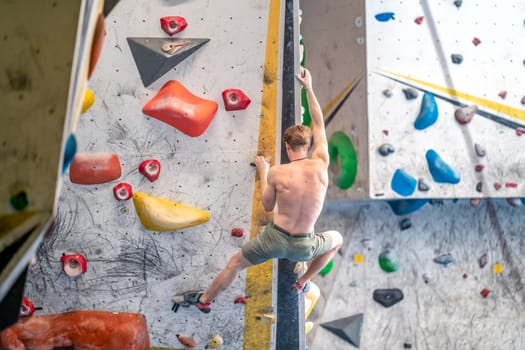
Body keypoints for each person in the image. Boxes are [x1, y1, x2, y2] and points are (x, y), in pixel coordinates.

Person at [176, 68, 343, 313]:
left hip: (274, 240)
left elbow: (266, 205)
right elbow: (318, 122)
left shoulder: (277, 172)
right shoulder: (321, 162)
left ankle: (206, 299)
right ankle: (302, 283)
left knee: (234, 264)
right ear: (308, 146)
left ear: (287, 146)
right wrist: (308, 87)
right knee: (336, 240)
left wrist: (264, 170)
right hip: (303, 246)